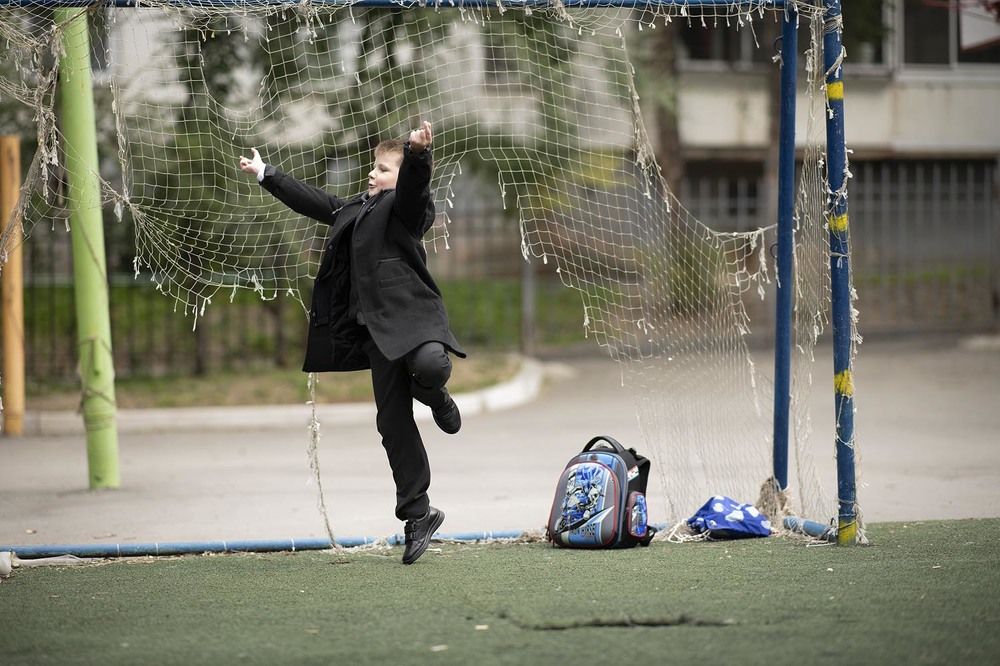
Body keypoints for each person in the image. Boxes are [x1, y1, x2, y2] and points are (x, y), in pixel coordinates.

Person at [239, 121, 464, 565]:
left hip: (413, 321)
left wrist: (416, 155)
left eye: (382, 169)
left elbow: (415, 189)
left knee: (432, 365)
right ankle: (418, 514)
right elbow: (316, 202)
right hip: (377, 333)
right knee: (392, 424)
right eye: (373, 167)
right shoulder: (356, 208)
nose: (372, 174)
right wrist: (267, 174)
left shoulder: (406, 208)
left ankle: (434, 394)